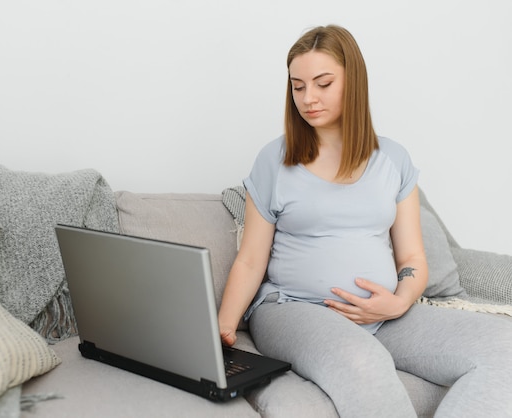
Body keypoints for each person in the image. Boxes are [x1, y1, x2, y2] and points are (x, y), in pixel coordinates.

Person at [217, 24, 512, 417]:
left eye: (323, 83)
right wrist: (220, 329)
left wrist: (397, 303)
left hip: (385, 315)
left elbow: (412, 259)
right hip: (292, 308)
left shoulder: (393, 160)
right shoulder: (274, 160)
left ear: (352, 81)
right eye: (298, 86)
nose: (308, 98)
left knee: (502, 347)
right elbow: (251, 260)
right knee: (362, 361)